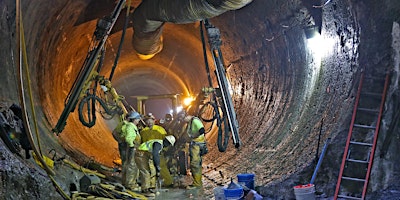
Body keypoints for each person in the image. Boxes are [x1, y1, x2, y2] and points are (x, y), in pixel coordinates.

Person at [138, 113, 174, 189]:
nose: (149, 122)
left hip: (158, 151)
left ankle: (168, 182)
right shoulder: (143, 131)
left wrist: (164, 150)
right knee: (149, 169)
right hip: (147, 152)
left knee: (162, 167)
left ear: (154, 120)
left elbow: (166, 141)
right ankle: (151, 185)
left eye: (151, 120)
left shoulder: (160, 129)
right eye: (147, 121)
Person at [112, 111, 141, 191]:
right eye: (138, 119)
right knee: (132, 165)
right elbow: (129, 138)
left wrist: (120, 141)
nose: (139, 121)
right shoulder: (130, 126)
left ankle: (125, 181)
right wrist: (132, 146)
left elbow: (114, 133)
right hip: (129, 147)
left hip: (124, 146)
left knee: (125, 164)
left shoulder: (123, 124)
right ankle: (130, 184)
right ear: (134, 119)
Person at [180, 111, 208, 189]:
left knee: (195, 164)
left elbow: (202, 130)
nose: (183, 121)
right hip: (194, 145)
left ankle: (197, 184)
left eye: (183, 118)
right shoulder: (190, 123)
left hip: (197, 145)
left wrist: (193, 137)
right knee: (195, 164)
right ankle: (197, 182)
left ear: (187, 116)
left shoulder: (195, 120)